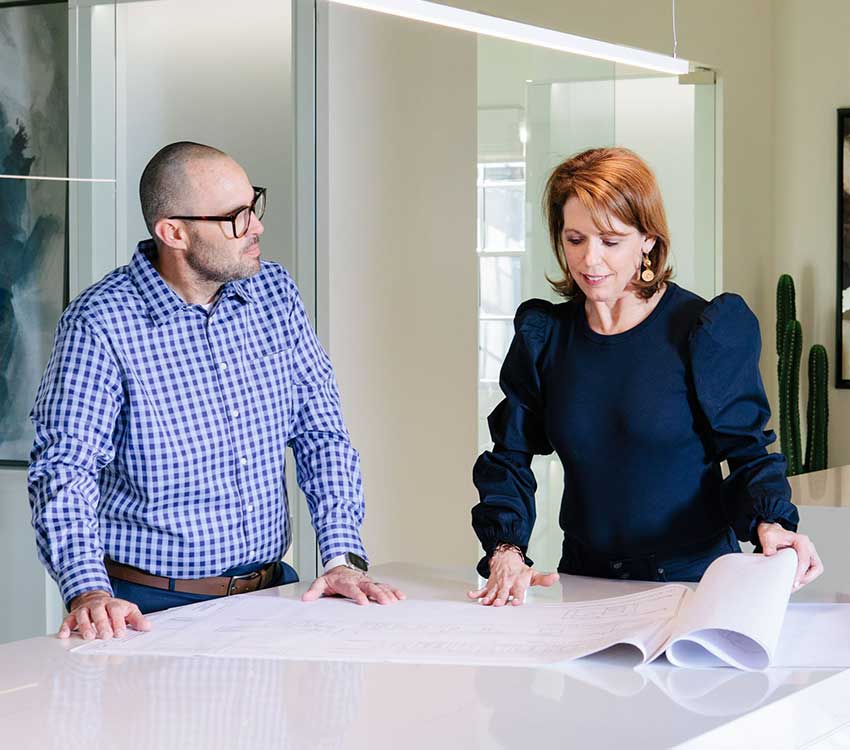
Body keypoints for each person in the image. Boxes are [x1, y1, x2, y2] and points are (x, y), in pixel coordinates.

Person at [29, 141, 404, 640]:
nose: (256, 227)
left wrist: (341, 557)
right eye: (235, 217)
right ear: (173, 232)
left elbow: (321, 433)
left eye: (254, 206)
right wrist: (87, 591)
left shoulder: (274, 294)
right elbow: (64, 471)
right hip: (150, 610)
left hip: (273, 596)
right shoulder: (100, 323)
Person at [469, 147, 823, 607]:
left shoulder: (702, 331)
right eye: (575, 239)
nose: (589, 260)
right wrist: (506, 550)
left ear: (648, 240)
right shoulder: (546, 338)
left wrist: (771, 524)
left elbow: (748, 454)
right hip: (585, 584)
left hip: (695, 585)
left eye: (610, 241)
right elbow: (510, 458)